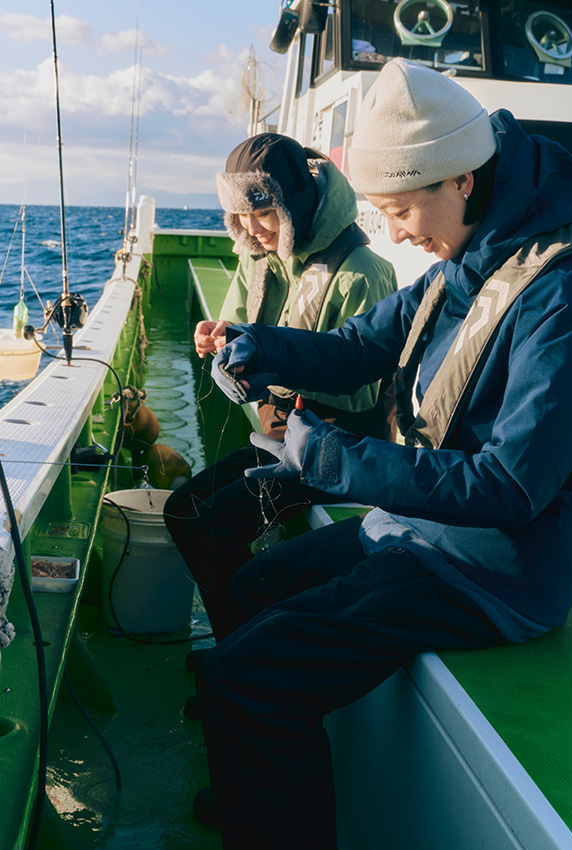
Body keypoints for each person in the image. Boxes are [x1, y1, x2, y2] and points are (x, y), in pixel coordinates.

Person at [194, 58, 572, 849]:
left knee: (244, 680)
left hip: (491, 571)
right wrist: (258, 346)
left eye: (399, 209)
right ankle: (259, 782)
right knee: (257, 584)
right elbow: (358, 348)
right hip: (423, 530)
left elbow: (510, 488)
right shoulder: (466, 264)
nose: (393, 232)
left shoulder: (569, 301)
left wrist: (330, 462)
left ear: (461, 180)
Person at [164, 133, 398, 643]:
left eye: (264, 212)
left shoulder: (363, 271)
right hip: (280, 439)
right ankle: (237, 646)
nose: (252, 228)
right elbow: (235, 329)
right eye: (240, 217)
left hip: (338, 451)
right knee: (182, 510)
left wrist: (272, 378)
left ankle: (237, 653)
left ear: (294, 201)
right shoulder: (261, 259)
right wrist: (216, 339)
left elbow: (361, 395)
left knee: (214, 527)